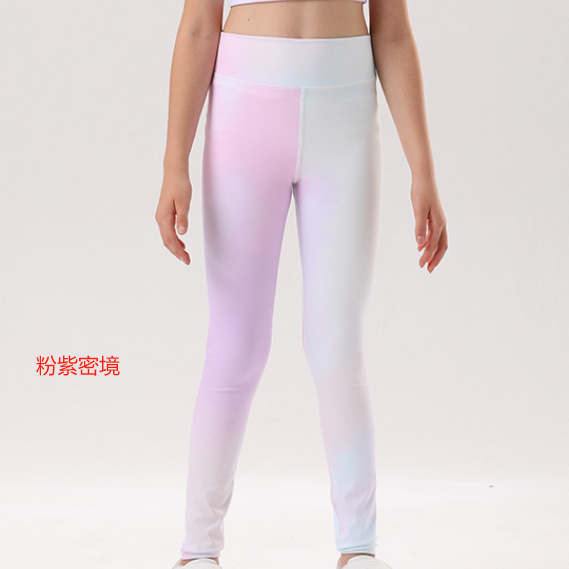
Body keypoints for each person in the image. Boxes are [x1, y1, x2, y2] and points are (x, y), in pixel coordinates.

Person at [155, 1, 448, 568]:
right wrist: (174, 164)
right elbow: (197, 27)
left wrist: (423, 170)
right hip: (244, 110)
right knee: (235, 347)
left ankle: (358, 548)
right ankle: (199, 549)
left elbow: (392, 33)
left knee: (338, 347)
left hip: (345, 118)